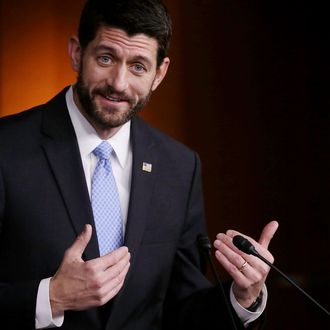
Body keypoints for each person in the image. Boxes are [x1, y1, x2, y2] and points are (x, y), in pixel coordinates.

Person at [0, 0, 278, 329]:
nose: (118, 83)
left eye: (138, 67)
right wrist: (50, 297)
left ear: (159, 73)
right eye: (106, 58)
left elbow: (184, 308)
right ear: (77, 53)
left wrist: (243, 298)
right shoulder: (8, 148)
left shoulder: (179, 167)